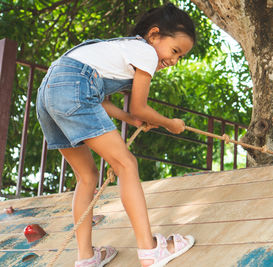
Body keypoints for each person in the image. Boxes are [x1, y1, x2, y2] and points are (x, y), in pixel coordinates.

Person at [36, 3, 196, 267]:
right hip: (74, 85)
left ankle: (86, 258)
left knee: (87, 177)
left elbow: (97, 100)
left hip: (49, 93)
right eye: (175, 51)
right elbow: (139, 106)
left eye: (181, 57)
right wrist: (170, 123)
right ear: (154, 35)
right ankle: (150, 249)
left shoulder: (119, 50)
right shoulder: (145, 52)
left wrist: (130, 119)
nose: (174, 61)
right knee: (127, 164)